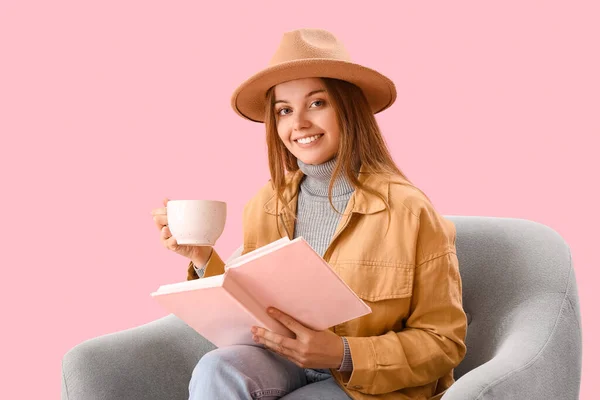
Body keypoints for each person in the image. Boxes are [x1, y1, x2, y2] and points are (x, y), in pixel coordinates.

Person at [151, 28, 467, 400]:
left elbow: (444, 344)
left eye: (317, 103)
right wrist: (202, 258)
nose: (298, 123)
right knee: (217, 367)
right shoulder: (266, 204)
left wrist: (343, 352)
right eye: (284, 110)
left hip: (369, 387)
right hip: (285, 363)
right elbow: (253, 308)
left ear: (349, 109)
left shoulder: (410, 210)